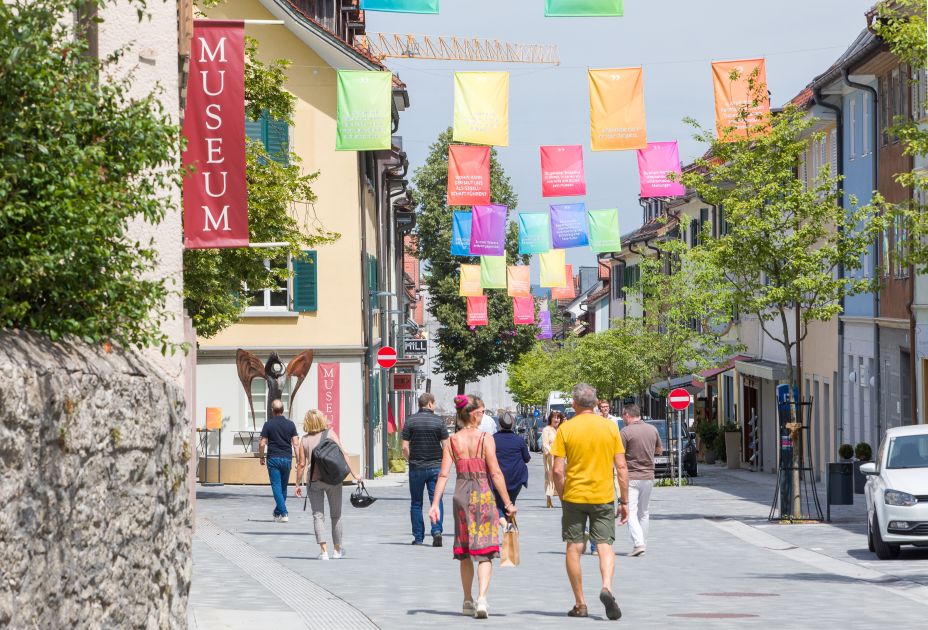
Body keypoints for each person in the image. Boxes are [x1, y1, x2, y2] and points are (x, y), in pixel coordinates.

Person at [429, 394, 516, 619]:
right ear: (473, 413)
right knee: (485, 549)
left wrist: (435, 503)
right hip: (483, 495)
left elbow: (444, 474)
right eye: (482, 412)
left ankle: (467, 599)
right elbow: (495, 472)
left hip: (461, 495)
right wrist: (507, 503)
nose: (483, 415)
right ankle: (482, 599)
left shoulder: (452, 441)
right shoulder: (486, 438)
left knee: (465, 550)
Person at [551, 383, 629, 621]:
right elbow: (622, 467)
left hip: (574, 496)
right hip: (603, 496)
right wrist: (624, 501)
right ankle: (607, 586)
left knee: (574, 548)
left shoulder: (566, 429)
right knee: (605, 544)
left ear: (574, 404)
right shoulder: (609, 427)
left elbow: (557, 471)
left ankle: (580, 603)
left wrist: (563, 496)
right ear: (596, 403)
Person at [294, 410, 361, 560]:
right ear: (321, 420)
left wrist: (297, 483)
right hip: (333, 479)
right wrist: (354, 474)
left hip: (314, 481)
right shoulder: (330, 433)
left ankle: (324, 552)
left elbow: (301, 464)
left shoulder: (303, 440)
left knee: (318, 516)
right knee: (336, 515)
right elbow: (344, 454)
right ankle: (337, 550)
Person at [402, 392, 449, 547]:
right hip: (435, 467)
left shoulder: (410, 421)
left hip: (416, 467)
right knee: (436, 500)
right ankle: (436, 531)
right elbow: (446, 446)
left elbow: (404, 447)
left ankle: (418, 537)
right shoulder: (439, 421)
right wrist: (443, 463)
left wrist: (412, 460)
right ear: (429, 404)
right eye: (434, 403)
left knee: (416, 503)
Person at [619, 403, 663, 557]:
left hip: (631, 476)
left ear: (627, 415)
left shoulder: (625, 432)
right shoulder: (652, 429)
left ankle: (639, 543)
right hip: (649, 476)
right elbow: (659, 450)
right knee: (644, 512)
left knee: (630, 512)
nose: (622, 418)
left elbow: (619, 454)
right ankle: (642, 543)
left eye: (623, 415)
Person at [258, 399, 300, 523]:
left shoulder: (268, 424)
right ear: (283, 410)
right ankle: (277, 512)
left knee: (276, 486)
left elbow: (262, 443)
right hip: (287, 458)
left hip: (273, 459)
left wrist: (261, 456)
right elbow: (296, 444)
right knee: (283, 488)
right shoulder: (291, 424)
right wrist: (298, 460)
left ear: (272, 410)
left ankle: (284, 512)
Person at [492, 411, 530, 524]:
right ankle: (509, 525)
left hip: (497, 480)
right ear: (512, 424)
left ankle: (505, 524)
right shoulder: (519, 440)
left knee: (497, 504)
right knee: (510, 502)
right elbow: (527, 458)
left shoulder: (492, 439)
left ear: (499, 424)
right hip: (516, 479)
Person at [542, 411, 563, 508]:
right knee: (550, 477)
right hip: (550, 458)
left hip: (562, 457)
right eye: (554, 417)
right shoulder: (547, 430)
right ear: (550, 419)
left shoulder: (562, 429)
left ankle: (563, 498)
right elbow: (545, 444)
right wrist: (552, 452)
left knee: (562, 477)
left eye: (558, 418)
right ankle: (549, 498)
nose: (556, 420)